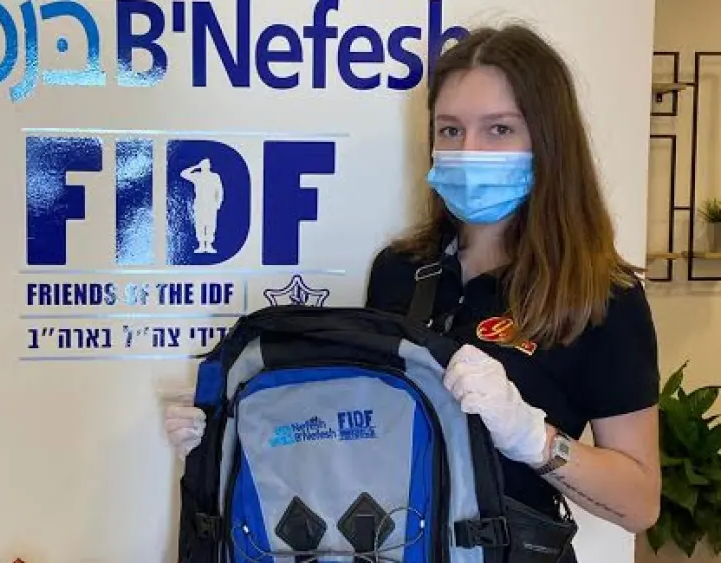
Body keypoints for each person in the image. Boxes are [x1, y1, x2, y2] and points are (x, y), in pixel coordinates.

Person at [163, 23, 662, 560]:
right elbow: (359, 433)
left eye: (498, 130)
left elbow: (639, 504)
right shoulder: (401, 272)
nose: (468, 150)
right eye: (450, 130)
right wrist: (236, 428)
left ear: (548, 140)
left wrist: (530, 438)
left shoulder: (599, 295)